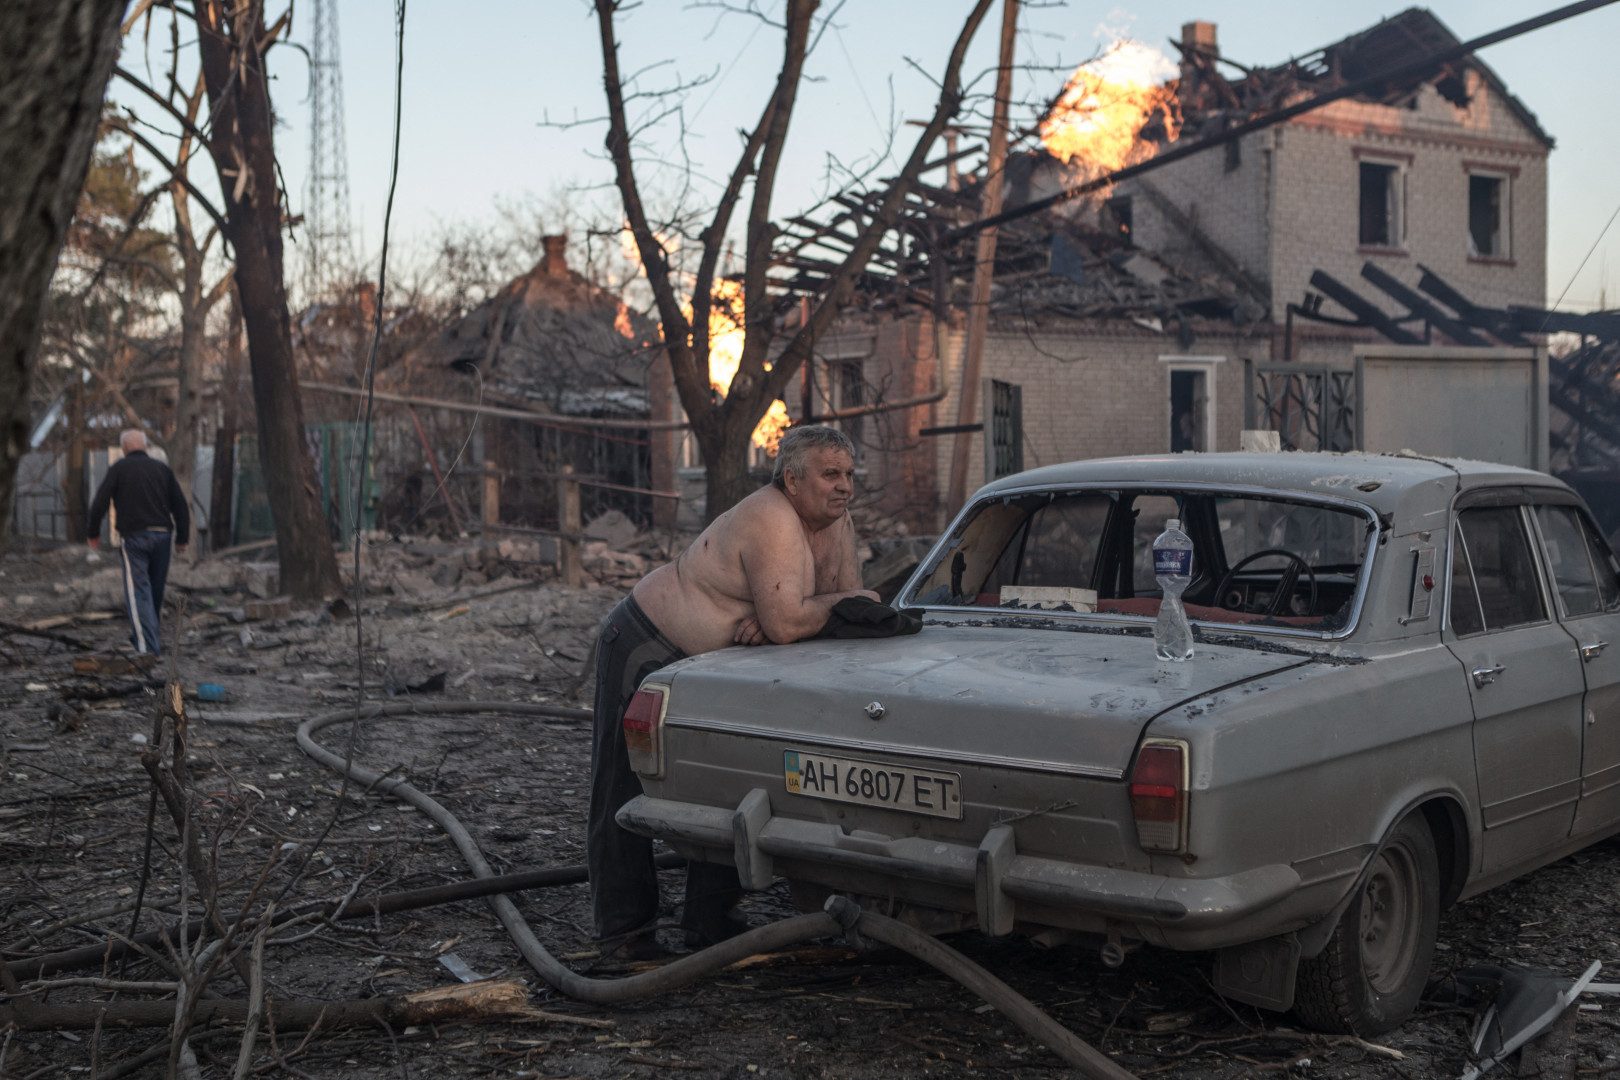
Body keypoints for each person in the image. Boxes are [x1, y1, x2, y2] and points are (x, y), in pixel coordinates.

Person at [588, 424, 877, 952]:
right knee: (624, 790)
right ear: (792, 480)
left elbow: (842, 614)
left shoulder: (836, 523)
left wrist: (799, 615)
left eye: (849, 475)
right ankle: (623, 935)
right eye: (830, 474)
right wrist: (800, 615)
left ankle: (706, 922)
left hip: (719, 662)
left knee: (724, 784)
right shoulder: (771, 517)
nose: (844, 487)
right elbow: (819, 613)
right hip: (647, 641)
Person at [87, 430, 190, 657]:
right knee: (155, 590)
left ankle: (146, 649)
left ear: (124, 447)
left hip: (134, 538)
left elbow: (99, 503)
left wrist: (93, 532)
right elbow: (180, 505)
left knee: (138, 592)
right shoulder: (163, 469)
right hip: (163, 536)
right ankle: (146, 640)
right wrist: (183, 538)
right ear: (145, 446)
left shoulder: (119, 469)